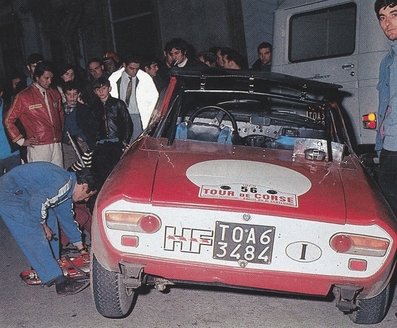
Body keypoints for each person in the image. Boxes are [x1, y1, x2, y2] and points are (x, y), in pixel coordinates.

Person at [0, 162, 97, 295]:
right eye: (88, 195)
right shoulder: (64, 183)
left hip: (24, 194)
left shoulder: (67, 191)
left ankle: (50, 262)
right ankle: (59, 281)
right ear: (84, 186)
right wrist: (42, 225)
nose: (86, 200)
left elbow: (67, 220)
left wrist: (82, 248)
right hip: (8, 193)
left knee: (50, 218)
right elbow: (37, 202)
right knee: (34, 230)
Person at [5, 60, 64, 167]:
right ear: (37, 77)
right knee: (39, 179)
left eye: (51, 78)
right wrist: (21, 141)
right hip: (38, 147)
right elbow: (8, 120)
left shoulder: (55, 93)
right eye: (46, 78)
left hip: (56, 144)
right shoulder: (24, 96)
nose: (49, 81)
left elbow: (60, 116)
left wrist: (60, 133)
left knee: (59, 178)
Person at [374, 0, 397, 216]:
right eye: (382, 17)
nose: (388, 23)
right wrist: (379, 149)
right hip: (390, 150)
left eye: (394, 14)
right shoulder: (387, 62)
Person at [91, 76, 133, 186]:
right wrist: (94, 141)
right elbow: (92, 126)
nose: (101, 92)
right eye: (98, 89)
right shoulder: (94, 106)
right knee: (100, 173)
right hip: (101, 143)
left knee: (116, 171)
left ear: (109, 88)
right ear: (95, 92)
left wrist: (124, 140)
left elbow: (127, 123)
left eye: (103, 88)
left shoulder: (118, 104)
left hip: (116, 142)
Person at [108, 55, 159, 141]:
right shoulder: (115, 78)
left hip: (136, 114)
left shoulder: (145, 78)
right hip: (121, 114)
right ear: (124, 65)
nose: (134, 71)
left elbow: (153, 97)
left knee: (136, 141)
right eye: (131, 68)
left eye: (137, 69)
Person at [61, 81, 96, 169]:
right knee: (70, 170)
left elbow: (91, 129)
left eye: (75, 94)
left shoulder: (84, 110)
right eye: (69, 94)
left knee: (85, 170)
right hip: (67, 146)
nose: (72, 97)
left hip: (82, 145)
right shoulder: (59, 110)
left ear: (79, 94)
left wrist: (82, 138)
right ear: (64, 94)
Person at [0, 83, 20, 175]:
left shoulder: (10, 107)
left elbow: (21, 126)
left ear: (1, 93)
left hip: (12, 155)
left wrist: (22, 141)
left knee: (16, 186)